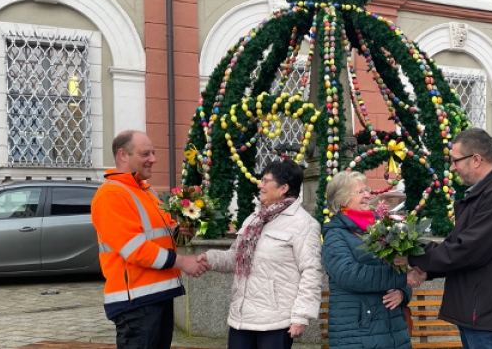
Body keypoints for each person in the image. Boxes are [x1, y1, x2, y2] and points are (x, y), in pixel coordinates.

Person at [400, 128, 492, 349]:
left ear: (476, 159)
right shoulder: (485, 192)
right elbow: (458, 245)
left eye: (455, 160)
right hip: (482, 313)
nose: (452, 167)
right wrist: (428, 269)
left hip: (491, 317)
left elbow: (467, 250)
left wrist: (412, 255)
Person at [91, 130, 210, 349]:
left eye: (153, 153)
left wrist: (184, 231)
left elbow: (162, 237)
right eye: (146, 154)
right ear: (122, 155)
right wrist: (184, 262)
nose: (153, 159)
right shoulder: (111, 194)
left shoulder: (146, 191)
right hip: (136, 304)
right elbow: (134, 248)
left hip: (155, 297)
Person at [204, 159, 323, 349]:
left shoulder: (304, 224)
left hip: (275, 321)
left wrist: (301, 316)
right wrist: (208, 259)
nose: (260, 185)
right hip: (241, 317)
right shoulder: (255, 218)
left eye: (266, 181)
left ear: (283, 188)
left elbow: (311, 272)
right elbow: (236, 258)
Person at [322, 171, 413, 349]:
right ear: (342, 200)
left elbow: (401, 265)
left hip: (394, 329)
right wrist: (403, 277)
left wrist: (403, 293)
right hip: (358, 332)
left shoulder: (383, 227)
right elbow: (350, 275)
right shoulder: (335, 235)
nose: (367, 195)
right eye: (360, 192)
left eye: (367, 190)